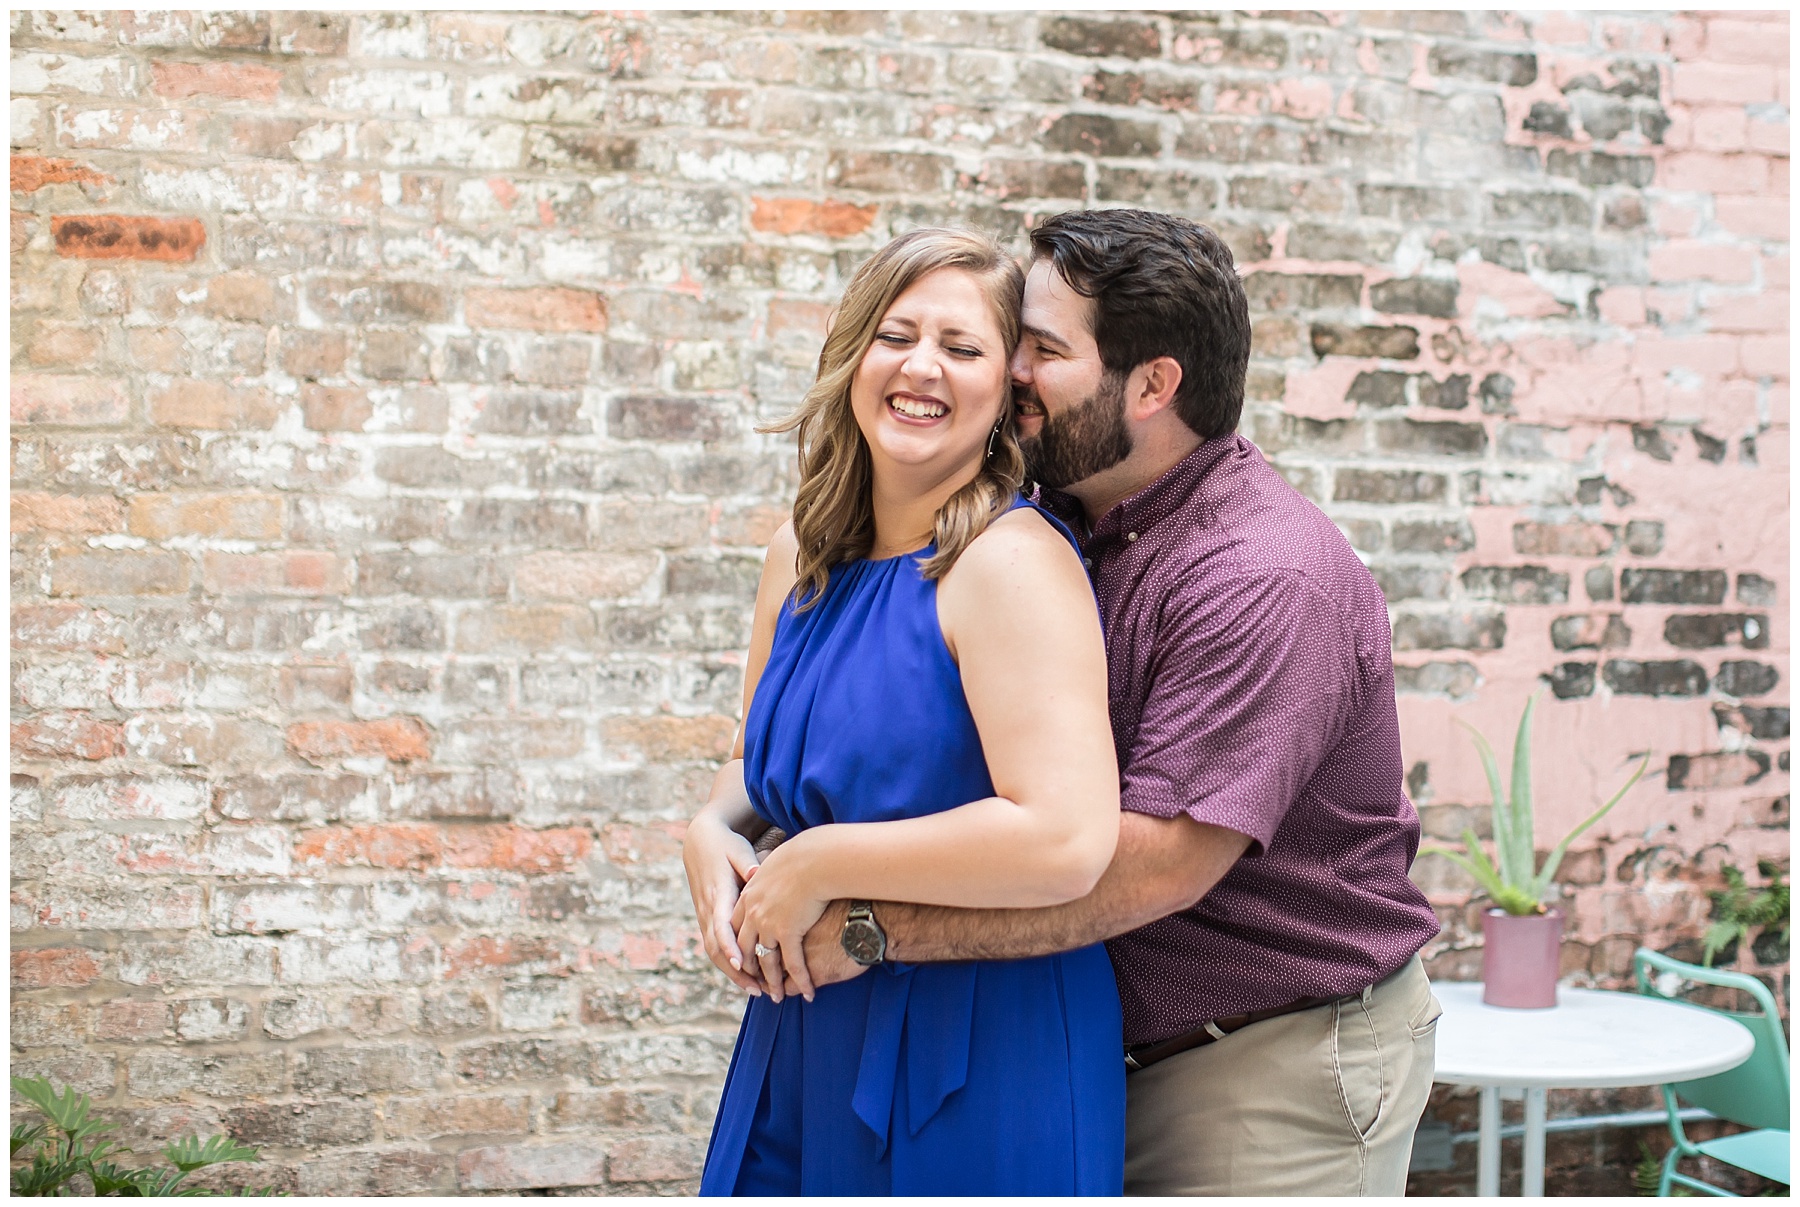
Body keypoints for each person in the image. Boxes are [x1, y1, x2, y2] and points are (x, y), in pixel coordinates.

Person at [730, 209, 1446, 1196]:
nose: (1011, 372)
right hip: (1098, 1033)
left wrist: (864, 926)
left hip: (1266, 1059)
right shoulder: (1067, 509)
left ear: (1150, 385)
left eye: (1040, 349)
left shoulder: (1262, 575)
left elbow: (1150, 867)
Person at [680, 227, 1126, 1195]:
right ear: (854, 355)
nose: (922, 366)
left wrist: (824, 860)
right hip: (807, 1022)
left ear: (1005, 392)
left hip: (981, 1040)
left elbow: (1068, 836)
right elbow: (762, 764)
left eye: (962, 348)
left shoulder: (1011, 563)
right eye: (896, 334)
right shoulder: (800, 555)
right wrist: (711, 827)